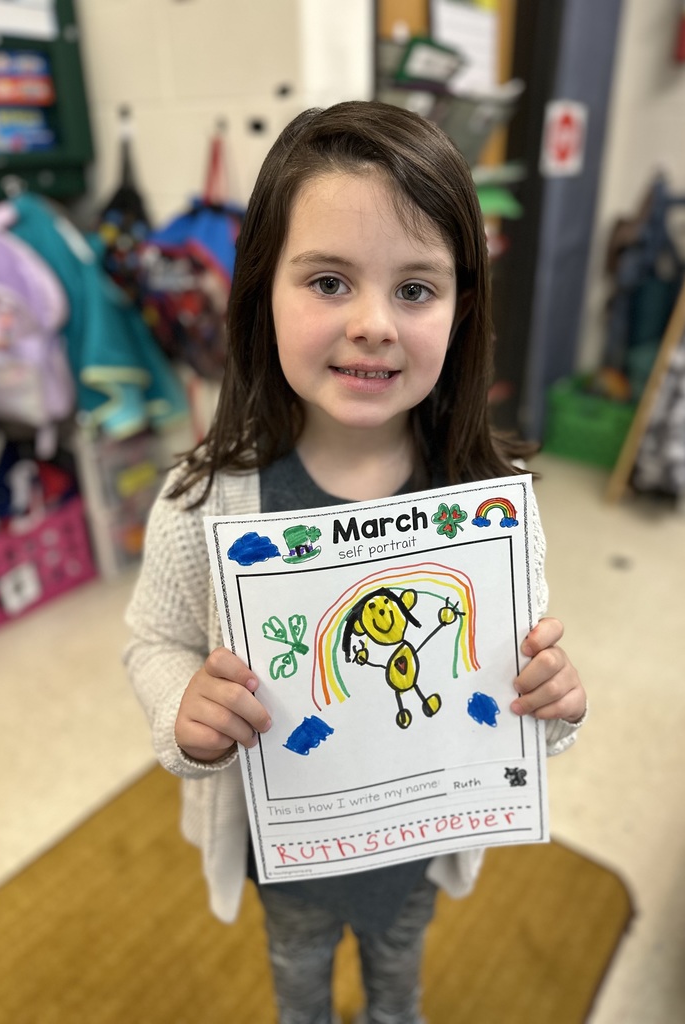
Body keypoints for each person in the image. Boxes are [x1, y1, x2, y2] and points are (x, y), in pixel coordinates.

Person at [124, 99, 587, 1024]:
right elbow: (153, 640)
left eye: (416, 289)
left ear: (462, 310)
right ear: (262, 290)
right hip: (285, 852)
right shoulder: (201, 497)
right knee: (299, 992)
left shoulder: (488, 508)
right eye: (329, 281)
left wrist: (557, 703)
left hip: (415, 851)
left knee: (396, 993)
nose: (374, 322)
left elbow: (518, 685)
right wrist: (183, 708)